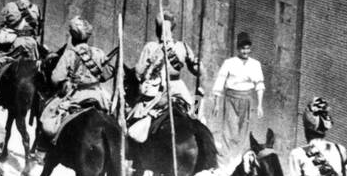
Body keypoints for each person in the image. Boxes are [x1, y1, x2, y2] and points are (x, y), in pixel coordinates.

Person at [128, 11, 201, 143]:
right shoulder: (183, 46)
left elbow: (139, 73)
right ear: (173, 27)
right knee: (194, 115)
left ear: (158, 28)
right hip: (179, 88)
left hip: (157, 90)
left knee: (136, 116)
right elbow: (197, 70)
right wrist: (198, 64)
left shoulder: (151, 47)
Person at [40, 18, 113, 142]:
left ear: (73, 38)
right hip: (98, 96)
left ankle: (43, 149)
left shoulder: (69, 54)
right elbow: (108, 74)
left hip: (76, 95)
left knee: (48, 113)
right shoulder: (98, 52)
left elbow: (56, 78)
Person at [210, 31, 265, 159]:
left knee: (243, 131)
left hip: (246, 99)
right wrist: (216, 103)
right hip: (231, 100)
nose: (245, 51)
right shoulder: (229, 63)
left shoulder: (255, 64)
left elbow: (259, 85)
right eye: (242, 48)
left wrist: (260, 105)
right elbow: (220, 83)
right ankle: (227, 158)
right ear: (237, 49)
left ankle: (239, 159)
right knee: (230, 130)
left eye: (247, 48)